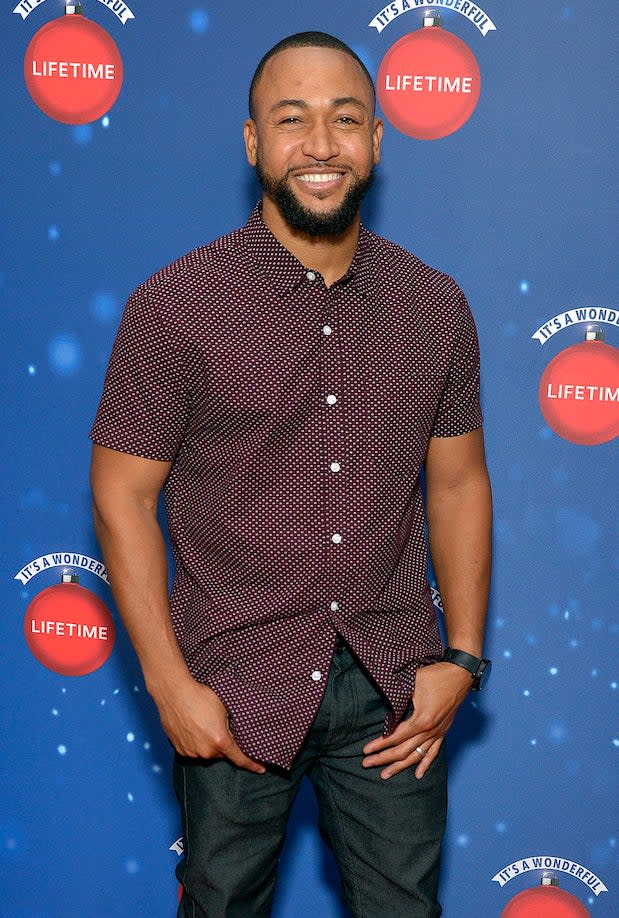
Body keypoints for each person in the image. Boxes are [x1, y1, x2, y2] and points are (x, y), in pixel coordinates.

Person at [90, 31, 492, 918]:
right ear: (252, 143)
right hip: (232, 682)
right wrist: (168, 685)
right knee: (221, 906)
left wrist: (461, 656)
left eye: (345, 119)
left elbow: (458, 484)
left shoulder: (435, 306)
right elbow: (122, 494)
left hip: (393, 684)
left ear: (377, 140)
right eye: (293, 120)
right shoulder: (175, 306)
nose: (320, 144)